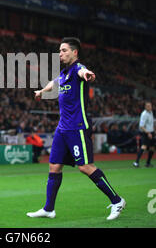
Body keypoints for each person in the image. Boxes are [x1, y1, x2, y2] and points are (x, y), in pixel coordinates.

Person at [26, 37, 126, 220]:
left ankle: (117, 200)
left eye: (64, 50)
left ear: (75, 52)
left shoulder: (78, 69)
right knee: (54, 166)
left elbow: (84, 72)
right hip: (62, 128)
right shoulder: (64, 74)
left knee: (85, 167)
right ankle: (49, 209)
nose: (60, 53)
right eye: (59, 50)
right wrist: (41, 91)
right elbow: (54, 83)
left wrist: (88, 73)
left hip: (77, 126)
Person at [133, 101, 155, 167]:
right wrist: (148, 133)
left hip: (151, 132)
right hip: (146, 133)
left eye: (150, 106)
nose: (150, 107)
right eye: (148, 106)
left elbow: (151, 123)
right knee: (144, 146)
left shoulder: (151, 112)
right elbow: (141, 126)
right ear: (145, 107)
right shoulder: (144, 114)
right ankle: (136, 162)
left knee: (152, 148)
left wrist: (154, 131)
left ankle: (148, 163)